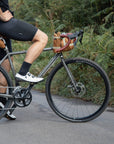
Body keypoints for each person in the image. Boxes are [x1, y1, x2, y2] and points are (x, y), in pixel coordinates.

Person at [0, 0, 48, 120]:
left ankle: (2, 106)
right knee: (42, 38)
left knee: (3, 73)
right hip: (3, 22)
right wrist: (1, 14)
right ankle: (23, 72)